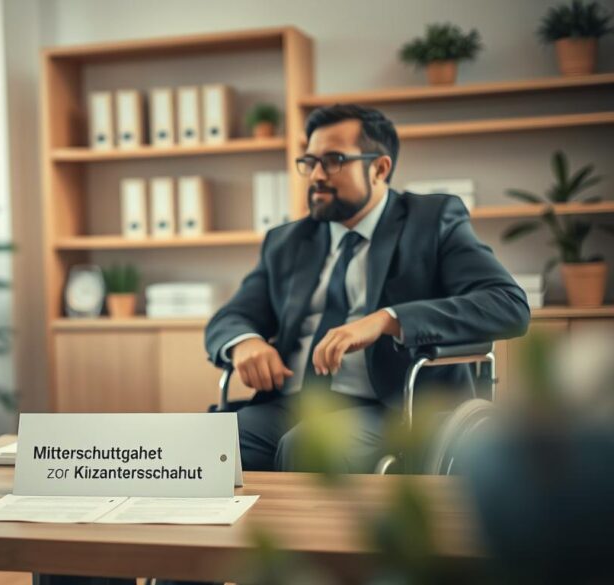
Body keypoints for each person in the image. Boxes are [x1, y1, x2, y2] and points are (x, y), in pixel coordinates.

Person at [205, 104, 531, 473]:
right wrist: (244, 342)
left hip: (393, 408)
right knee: (206, 442)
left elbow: (508, 305)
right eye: (310, 162)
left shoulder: (432, 221)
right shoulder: (287, 241)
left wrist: (388, 320)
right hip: (292, 403)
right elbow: (232, 316)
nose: (316, 175)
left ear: (379, 168)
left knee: (308, 446)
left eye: (333, 161)